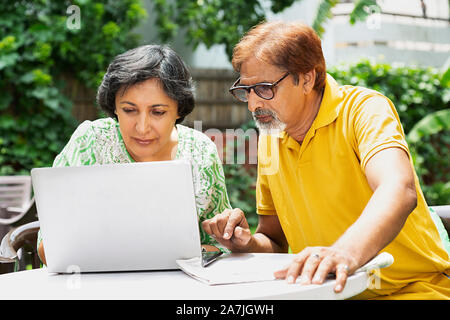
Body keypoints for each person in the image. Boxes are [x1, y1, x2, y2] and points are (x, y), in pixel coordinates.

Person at [202, 21, 450, 299]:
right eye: (246, 90)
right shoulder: (271, 137)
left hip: (412, 290)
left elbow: (398, 189)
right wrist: (246, 243)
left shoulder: (363, 110)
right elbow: (274, 240)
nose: (252, 104)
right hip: (327, 294)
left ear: (307, 79)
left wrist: (344, 252)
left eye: (264, 88)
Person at [37, 44, 231, 264]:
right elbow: (48, 250)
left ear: (179, 109)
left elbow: (221, 245)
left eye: (158, 112)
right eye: (129, 110)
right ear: (114, 107)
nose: (142, 127)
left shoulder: (201, 151)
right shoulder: (90, 141)